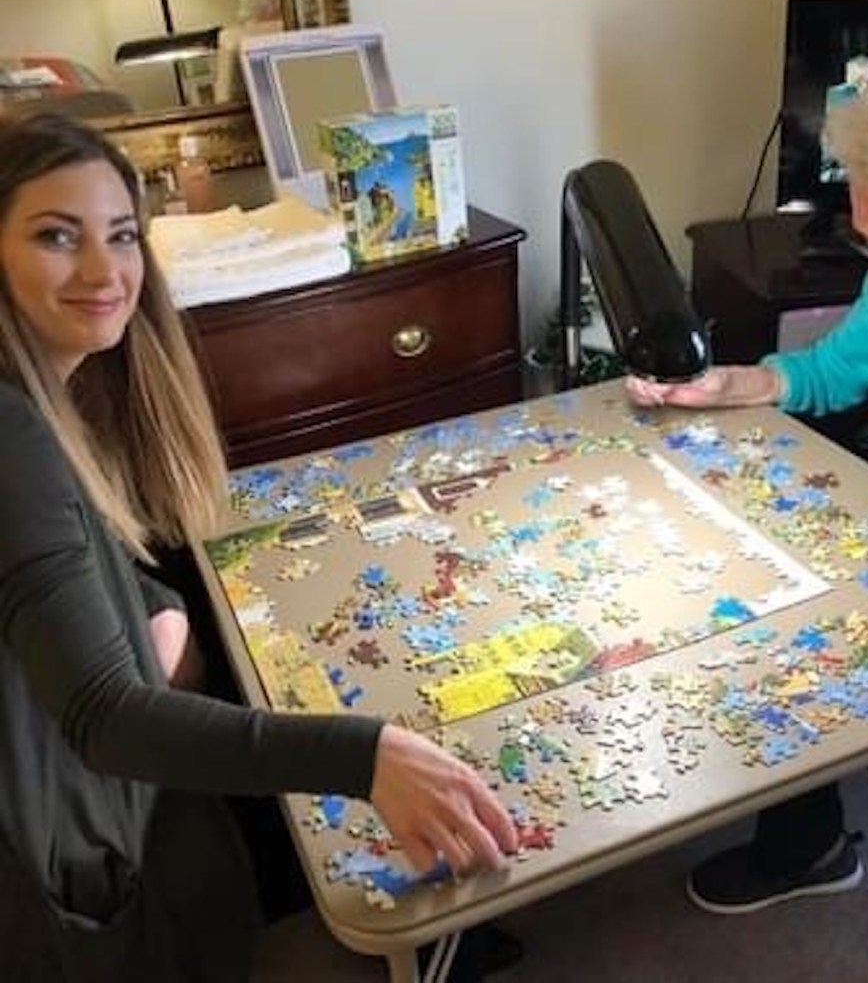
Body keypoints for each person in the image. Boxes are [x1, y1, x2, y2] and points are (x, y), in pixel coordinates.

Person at [0, 111, 518, 981]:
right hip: (67, 836)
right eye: (57, 237)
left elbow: (50, 566)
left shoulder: (56, 388)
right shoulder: (10, 430)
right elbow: (102, 718)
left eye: (122, 237)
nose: (104, 270)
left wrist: (155, 613)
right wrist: (366, 753)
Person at [627, 54, 868, 914]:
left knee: (784, 644)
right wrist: (733, 384)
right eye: (866, 243)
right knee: (736, 585)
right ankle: (802, 819)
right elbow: (835, 370)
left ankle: (804, 847)